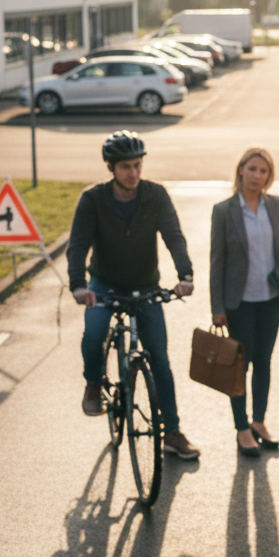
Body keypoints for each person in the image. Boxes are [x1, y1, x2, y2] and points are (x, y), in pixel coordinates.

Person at [68, 130, 199, 460]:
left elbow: (173, 236)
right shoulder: (93, 199)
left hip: (146, 287)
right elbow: (78, 245)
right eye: (126, 166)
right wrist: (78, 285)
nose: (134, 173)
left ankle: (171, 432)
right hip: (104, 285)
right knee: (94, 332)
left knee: (161, 360)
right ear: (111, 168)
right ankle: (94, 384)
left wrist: (185, 275)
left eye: (138, 165)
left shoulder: (155, 195)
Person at [210, 147, 279, 457]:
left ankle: (259, 422)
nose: (257, 176)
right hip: (239, 302)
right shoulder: (224, 210)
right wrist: (217, 308)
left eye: (263, 171)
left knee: (264, 361)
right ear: (240, 171)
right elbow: (216, 261)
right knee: (240, 366)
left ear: (268, 176)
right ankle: (242, 427)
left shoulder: (274, 204)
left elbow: (277, 243)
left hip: (270, 299)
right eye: (252, 169)